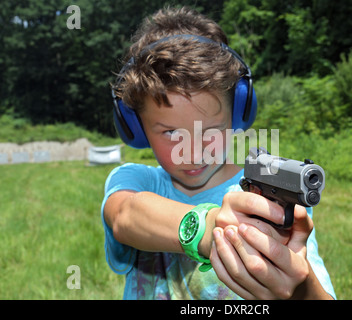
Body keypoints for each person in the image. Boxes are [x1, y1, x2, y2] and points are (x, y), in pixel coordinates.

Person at [102, 6, 336, 300]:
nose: (193, 152)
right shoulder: (136, 180)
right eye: (172, 133)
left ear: (237, 114)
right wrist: (210, 226)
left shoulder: (268, 200)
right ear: (136, 127)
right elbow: (126, 216)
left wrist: (300, 290)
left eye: (210, 131)